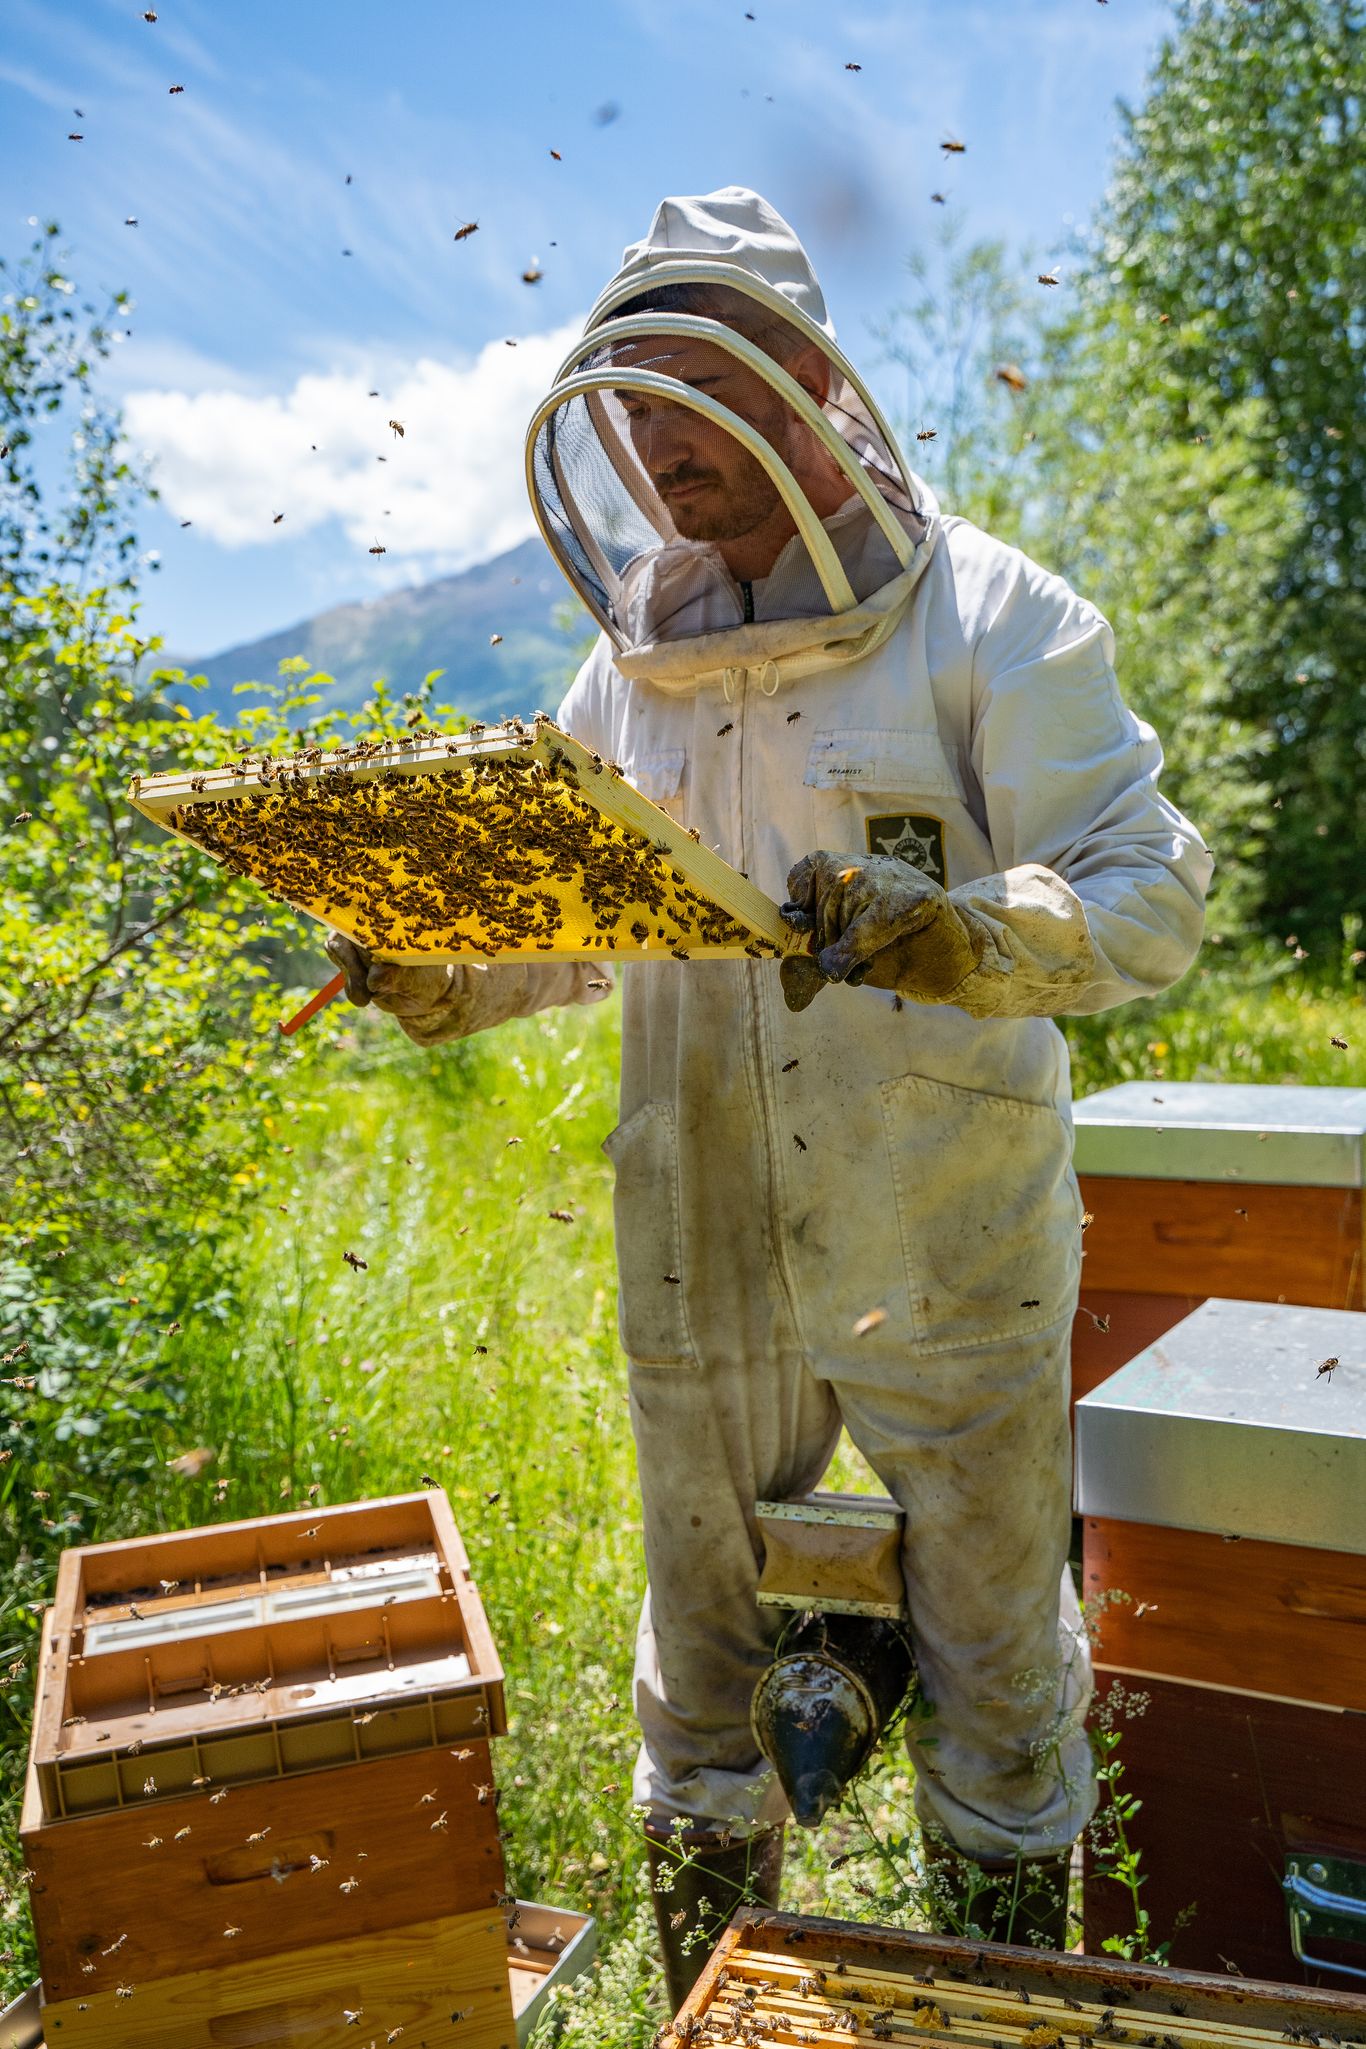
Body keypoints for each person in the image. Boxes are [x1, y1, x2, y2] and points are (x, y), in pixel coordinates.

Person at [327, 186, 1211, 2007]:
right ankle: (702, 1997)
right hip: (697, 1251)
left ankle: (999, 2011)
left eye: (695, 392)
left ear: (808, 380)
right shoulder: (632, 658)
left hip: (944, 1241)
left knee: (993, 1667)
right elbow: (571, 920)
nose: (657, 449)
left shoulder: (988, 616)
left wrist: (962, 934)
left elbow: (1150, 888)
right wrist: (427, 961)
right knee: (696, 1679)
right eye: (630, 405)